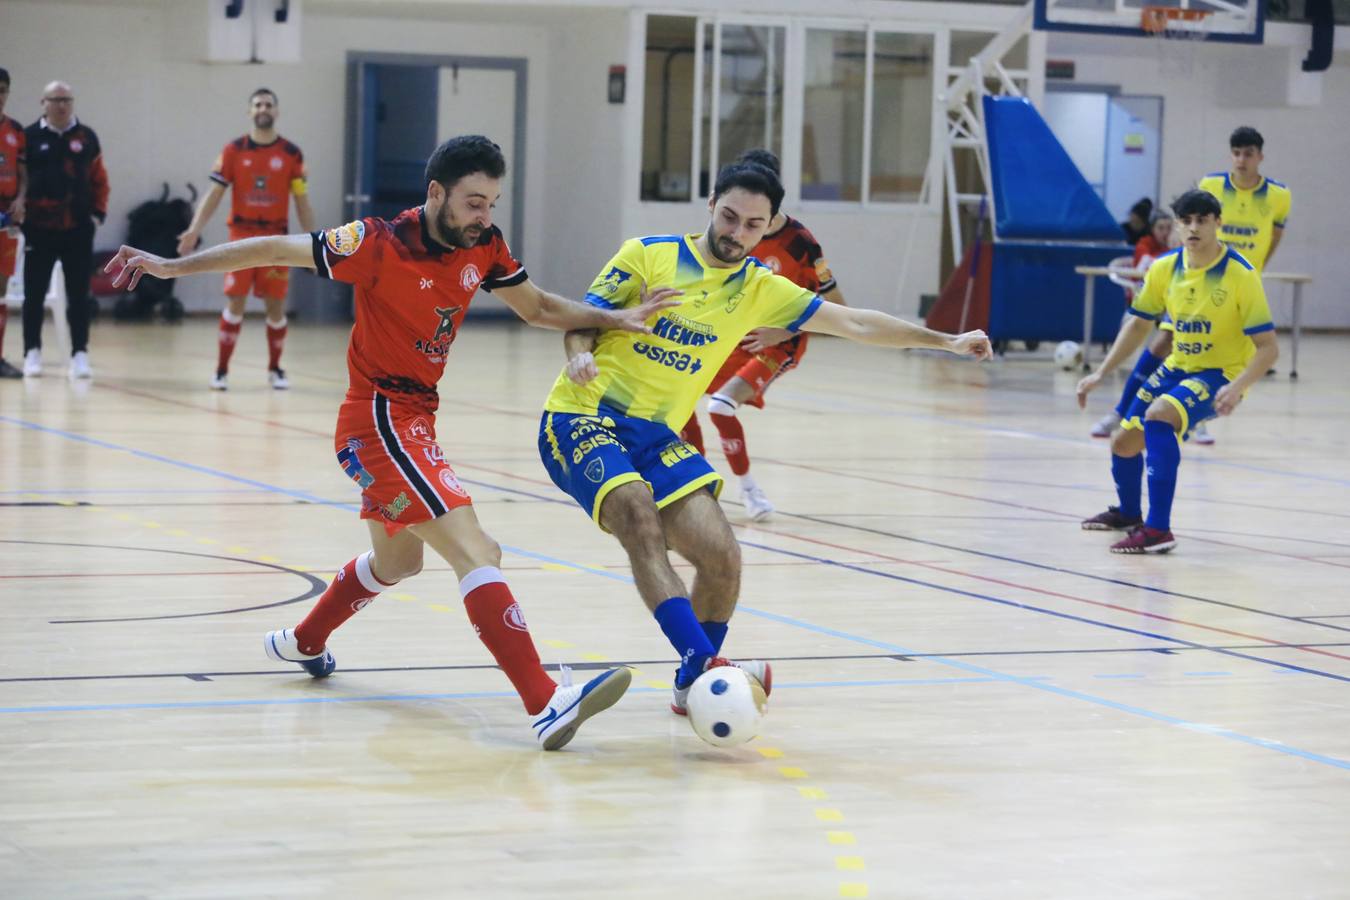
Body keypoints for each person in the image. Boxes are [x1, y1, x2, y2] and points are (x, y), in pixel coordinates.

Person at [105, 136, 677, 750]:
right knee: (476, 548)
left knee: (400, 561)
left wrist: (613, 318)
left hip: (413, 421)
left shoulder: (483, 245)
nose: (485, 216)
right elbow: (272, 246)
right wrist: (170, 266)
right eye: (473, 202)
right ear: (436, 193)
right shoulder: (376, 241)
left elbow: (535, 308)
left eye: (492, 203)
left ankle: (303, 640)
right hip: (378, 418)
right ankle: (544, 702)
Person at [540, 161, 990, 717]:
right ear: (710, 205)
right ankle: (708, 669)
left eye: (752, 224)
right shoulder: (646, 254)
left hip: (656, 435)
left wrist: (945, 341)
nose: (735, 232)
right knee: (637, 516)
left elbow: (856, 323)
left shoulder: (759, 289)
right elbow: (584, 317)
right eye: (728, 216)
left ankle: (691, 685)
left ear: (769, 225)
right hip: (583, 414)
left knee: (723, 558)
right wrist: (580, 353)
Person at [1077, 189, 1278, 554]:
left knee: (1158, 417)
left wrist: (1237, 387)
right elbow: (1138, 325)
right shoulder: (1164, 268)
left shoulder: (1241, 275)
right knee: (1123, 443)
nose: (1194, 227)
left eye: (1203, 220)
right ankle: (1128, 513)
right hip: (1177, 367)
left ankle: (1158, 530)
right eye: (1187, 221)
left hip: (1221, 374)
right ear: (1178, 227)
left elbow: (1268, 348)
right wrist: (1101, 373)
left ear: (1218, 223)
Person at [677, 149, 847, 522]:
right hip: (731, 337)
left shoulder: (801, 242)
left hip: (779, 342)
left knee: (720, 406)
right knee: (677, 396)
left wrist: (782, 329)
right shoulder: (727, 238)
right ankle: (700, 485)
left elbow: (838, 306)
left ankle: (750, 489)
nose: (743, 226)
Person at [1092, 127, 1290, 443]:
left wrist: (1257, 269)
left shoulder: (1279, 195)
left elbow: (1276, 235)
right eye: (1236, 153)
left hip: (1233, 285)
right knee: (1161, 342)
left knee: (1224, 351)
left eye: (1248, 153)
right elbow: (1189, 219)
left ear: (1260, 157)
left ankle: (1198, 415)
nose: (1241, 160)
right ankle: (1121, 411)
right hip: (1196, 280)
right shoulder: (1212, 185)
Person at [177, 88, 316, 390]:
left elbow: (302, 201)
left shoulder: (291, 154)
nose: (263, 108)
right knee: (235, 302)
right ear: (249, 111)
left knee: (275, 305)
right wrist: (194, 230)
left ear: (276, 111)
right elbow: (215, 194)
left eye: (268, 104)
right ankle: (222, 370)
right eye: (257, 104)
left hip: (276, 239)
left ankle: (276, 369)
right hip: (241, 235)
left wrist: (313, 243)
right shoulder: (233, 150)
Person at [21, 80, 108, 379]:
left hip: (78, 230)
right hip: (38, 230)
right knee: (33, 294)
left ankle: (79, 354)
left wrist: (98, 215)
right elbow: (19, 179)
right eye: (55, 99)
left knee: (79, 294)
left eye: (66, 99)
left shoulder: (87, 137)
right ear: (42, 102)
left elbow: (100, 179)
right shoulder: (28, 137)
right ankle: (32, 352)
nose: (61, 105)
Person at [1089, 207, 1178, 439]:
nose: (1166, 232)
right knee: (1147, 334)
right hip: (1147, 306)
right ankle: (1120, 413)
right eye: (1162, 227)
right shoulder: (1148, 248)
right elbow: (1146, 270)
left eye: (1169, 228)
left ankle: (1196, 422)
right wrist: (1101, 373)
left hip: (1179, 313)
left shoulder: (1190, 256)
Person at [0, 68, 28, 379]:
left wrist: (21, 198)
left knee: (1, 289)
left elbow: (24, 176)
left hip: (5, 218)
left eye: (3, 89)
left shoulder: (16, 131)